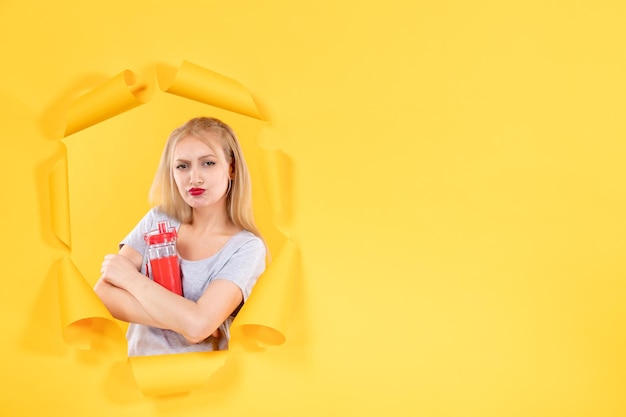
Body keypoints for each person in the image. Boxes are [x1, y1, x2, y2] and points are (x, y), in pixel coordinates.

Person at [94, 117, 267, 356]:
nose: (194, 178)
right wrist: (186, 321)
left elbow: (198, 326)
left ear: (232, 168)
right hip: (138, 377)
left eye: (208, 163)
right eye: (182, 166)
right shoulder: (159, 219)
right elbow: (103, 294)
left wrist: (131, 280)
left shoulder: (246, 247)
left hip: (205, 385)